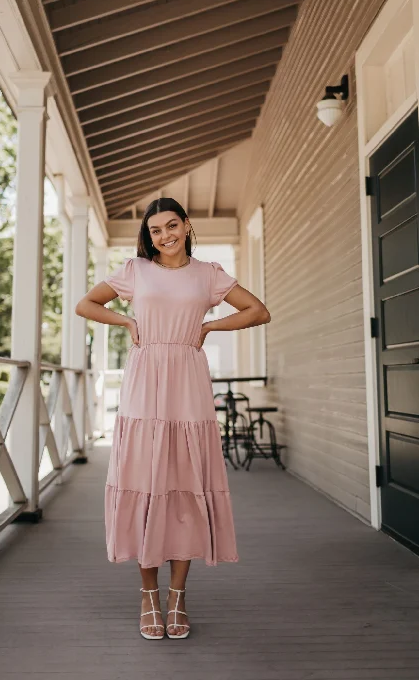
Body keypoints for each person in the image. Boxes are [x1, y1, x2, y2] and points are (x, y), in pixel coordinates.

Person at [75, 198, 270, 640]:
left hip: (188, 382)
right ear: (148, 235)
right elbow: (86, 305)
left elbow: (258, 311)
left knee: (184, 485)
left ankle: (178, 596)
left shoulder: (210, 275)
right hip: (144, 383)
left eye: (172, 226)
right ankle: (148, 595)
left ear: (186, 226)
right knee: (146, 481)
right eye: (156, 230)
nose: (165, 236)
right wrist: (125, 322)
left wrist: (209, 328)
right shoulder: (134, 270)